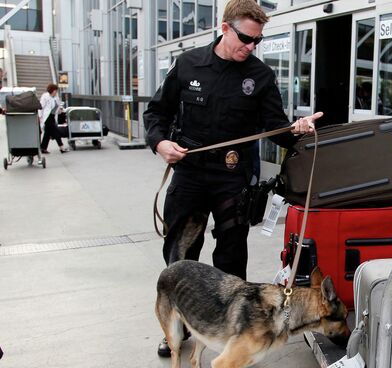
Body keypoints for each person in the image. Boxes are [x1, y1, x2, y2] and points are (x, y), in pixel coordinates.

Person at [143, 0, 320, 357]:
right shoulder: (189, 63)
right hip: (190, 173)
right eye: (245, 38)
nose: (250, 47)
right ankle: (176, 325)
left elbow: (276, 128)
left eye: (257, 41)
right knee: (180, 256)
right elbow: (156, 112)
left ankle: (229, 330)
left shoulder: (260, 76)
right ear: (225, 28)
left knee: (231, 259)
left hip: (232, 177)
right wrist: (160, 142)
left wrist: (298, 130)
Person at [39, 84, 68, 154]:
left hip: (52, 116)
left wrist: (61, 110)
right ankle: (61, 147)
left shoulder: (56, 97)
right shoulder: (45, 96)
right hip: (47, 117)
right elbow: (41, 107)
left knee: (47, 133)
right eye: (55, 90)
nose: (56, 92)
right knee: (55, 131)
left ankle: (43, 148)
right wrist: (40, 116)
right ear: (52, 90)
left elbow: (58, 106)